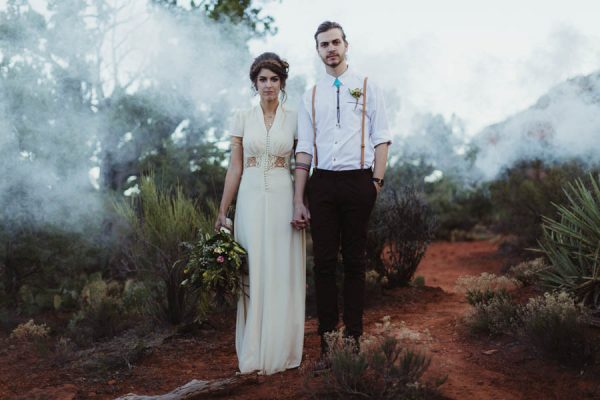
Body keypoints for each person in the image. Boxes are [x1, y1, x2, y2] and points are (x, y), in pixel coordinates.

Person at [292, 21, 392, 358]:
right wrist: (299, 198)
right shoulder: (311, 94)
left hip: (358, 181)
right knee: (322, 264)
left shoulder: (367, 85)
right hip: (322, 185)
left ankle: (352, 340)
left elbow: (381, 137)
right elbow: (304, 146)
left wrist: (375, 182)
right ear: (318, 51)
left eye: (335, 42)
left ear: (346, 45)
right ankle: (327, 343)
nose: (331, 49)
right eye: (324, 44)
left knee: (354, 263)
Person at [215, 52, 306, 375]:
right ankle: (254, 349)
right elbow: (235, 167)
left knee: (280, 270)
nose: (268, 85)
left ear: (282, 83)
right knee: (252, 271)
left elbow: (302, 163)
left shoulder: (296, 116)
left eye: (274, 79)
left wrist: (301, 200)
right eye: (262, 79)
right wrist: (223, 210)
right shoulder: (242, 116)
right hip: (250, 198)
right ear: (254, 83)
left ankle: (280, 348)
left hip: (283, 196)